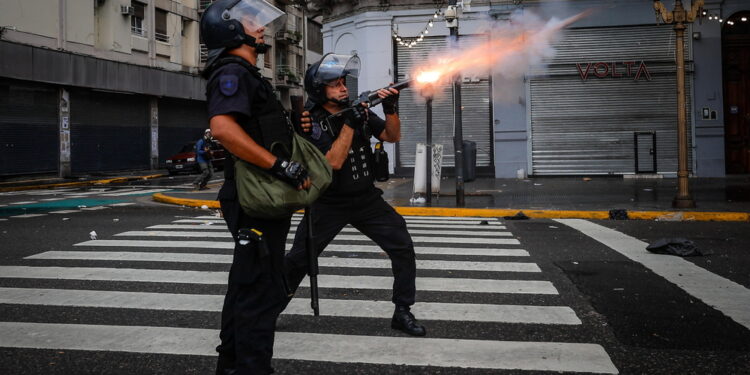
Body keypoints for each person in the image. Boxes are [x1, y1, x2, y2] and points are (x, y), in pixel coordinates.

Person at [199, 0, 311, 373]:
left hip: (256, 200)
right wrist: (282, 166)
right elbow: (224, 129)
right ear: (230, 30)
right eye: (251, 22)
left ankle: (232, 365)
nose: (260, 27)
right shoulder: (232, 72)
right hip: (252, 201)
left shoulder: (246, 73)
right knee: (261, 293)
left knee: (246, 286)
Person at [284, 53, 426, 337]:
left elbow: (391, 137)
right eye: (335, 84)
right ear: (319, 90)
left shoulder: (356, 109)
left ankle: (402, 310)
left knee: (402, 245)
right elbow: (332, 163)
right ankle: (267, 309)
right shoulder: (310, 121)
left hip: (365, 199)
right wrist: (349, 124)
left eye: (343, 82)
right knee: (300, 258)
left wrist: (391, 108)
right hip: (329, 202)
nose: (343, 88)